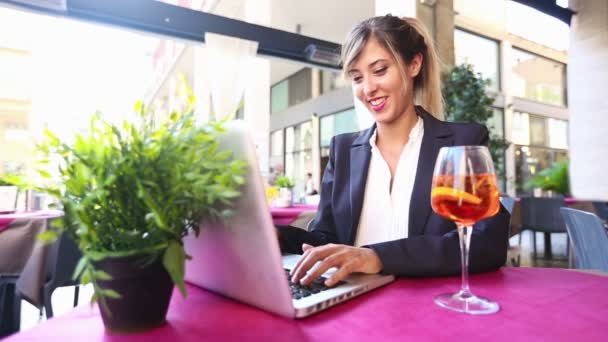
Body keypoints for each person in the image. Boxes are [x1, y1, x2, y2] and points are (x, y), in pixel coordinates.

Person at [278, 15, 510, 287]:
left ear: (413, 64)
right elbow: (327, 240)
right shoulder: (343, 151)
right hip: (351, 308)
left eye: (379, 70)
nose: (368, 88)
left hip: (427, 306)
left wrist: (377, 257)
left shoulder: (461, 141)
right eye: (357, 77)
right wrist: (278, 237)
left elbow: (487, 243)